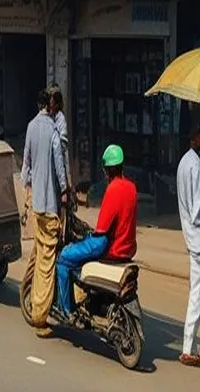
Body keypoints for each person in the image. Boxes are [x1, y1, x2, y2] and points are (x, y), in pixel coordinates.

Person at [55, 143, 136, 320]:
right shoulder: (131, 188)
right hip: (128, 248)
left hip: (109, 247)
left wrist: (86, 235)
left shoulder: (113, 189)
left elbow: (101, 230)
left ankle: (66, 311)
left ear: (107, 170)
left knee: (63, 258)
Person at [21, 87, 66, 334]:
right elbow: (59, 168)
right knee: (47, 263)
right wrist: (66, 191)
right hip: (49, 206)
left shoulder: (30, 127)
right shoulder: (53, 131)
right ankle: (40, 317)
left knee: (39, 254)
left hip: (37, 203)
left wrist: (29, 193)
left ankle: (26, 291)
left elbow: (25, 164)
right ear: (50, 107)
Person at [178, 124, 200, 368]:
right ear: (195, 138)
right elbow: (199, 206)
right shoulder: (196, 166)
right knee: (198, 293)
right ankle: (188, 347)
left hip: (192, 236)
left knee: (198, 291)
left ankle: (190, 345)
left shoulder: (184, 163)